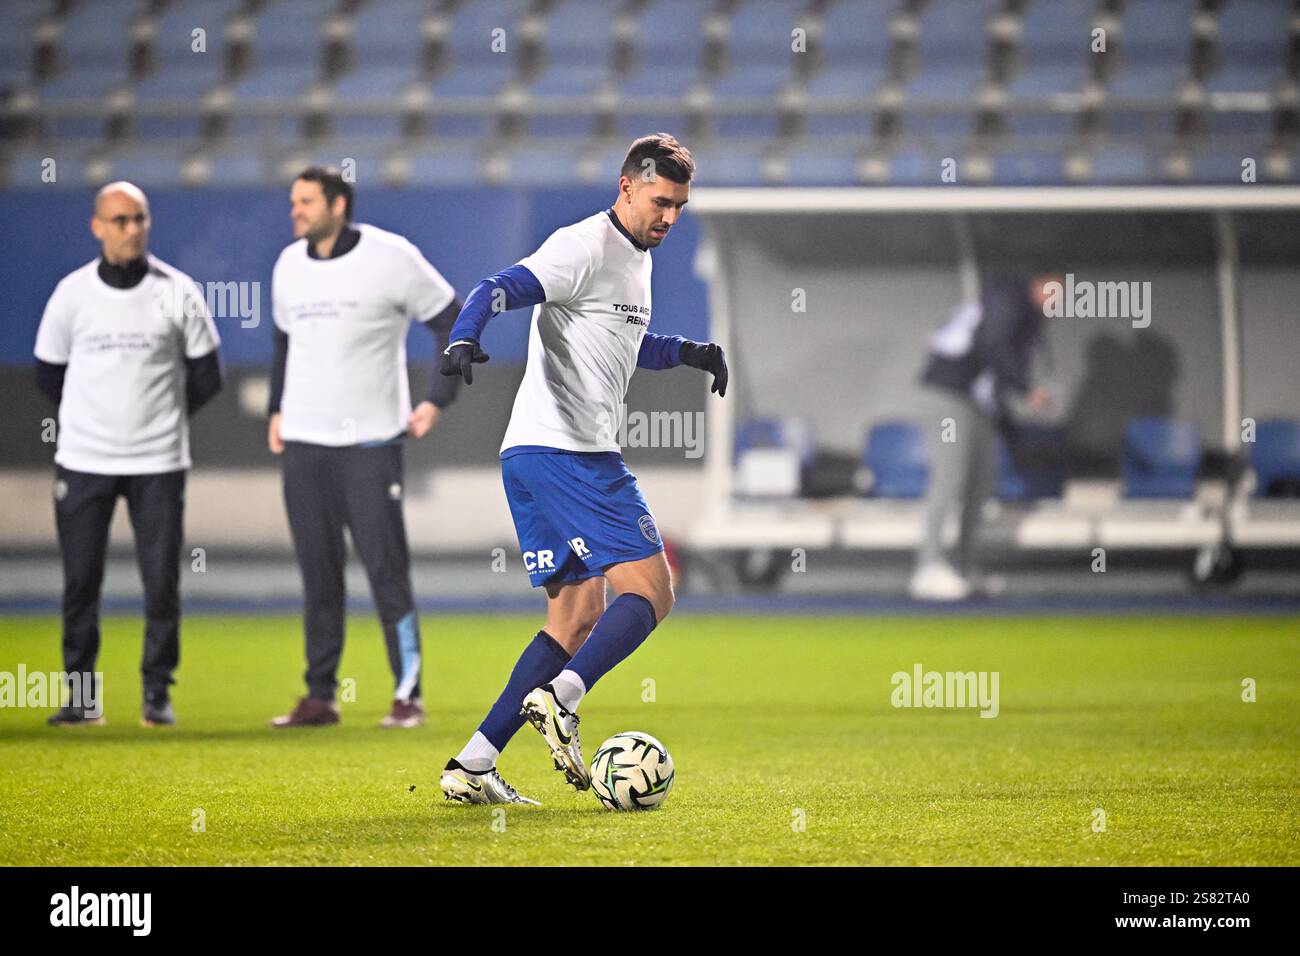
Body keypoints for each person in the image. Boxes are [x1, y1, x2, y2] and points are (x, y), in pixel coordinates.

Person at [435, 133, 729, 805]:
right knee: (653, 592)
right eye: (661, 202)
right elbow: (498, 287)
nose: (670, 219)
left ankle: (472, 764)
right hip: (572, 453)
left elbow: (622, 341)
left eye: (681, 207)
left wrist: (688, 352)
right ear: (627, 187)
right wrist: (464, 333)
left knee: (575, 616)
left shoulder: (635, 258)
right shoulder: (583, 246)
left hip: (533, 455)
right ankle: (563, 699)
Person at [267, 167, 462, 729]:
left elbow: (451, 319)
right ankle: (319, 696)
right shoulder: (287, 265)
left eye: (305, 201)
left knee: (386, 570)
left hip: (371, 443)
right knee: (317, 573)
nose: (295, 211)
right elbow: (283, 342)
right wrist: (278, 408)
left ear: (338, 203)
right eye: (292, 202)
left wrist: (436, 398)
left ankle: (408, 695)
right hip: (304, 442)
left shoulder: (391, 257)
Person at [33, 181, 223, 727]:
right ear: (97, 226)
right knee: (79, 583)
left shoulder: (177, 290)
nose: (132, 228)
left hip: (158, 463)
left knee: (161, 582)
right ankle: (80, 698)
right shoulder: (71, 293)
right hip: (83, 460)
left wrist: (155, 419)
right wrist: (96, 421)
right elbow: (50, 373)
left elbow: (208, 375)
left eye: (139, 218)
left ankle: (156, 695)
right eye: (120, 220)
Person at [909, 273, 1057, 601]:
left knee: (980, 484)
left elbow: (993, 387)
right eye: (1054, 289)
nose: (1057, 300)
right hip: (947, 396)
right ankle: (927, 567)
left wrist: (1015, 437)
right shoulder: (1008, 301)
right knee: (949, 478)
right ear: (1037, 283)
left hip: (976, 405)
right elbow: (992, 347)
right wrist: (1027, 388)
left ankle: (965, 568)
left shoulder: (1027, 322)